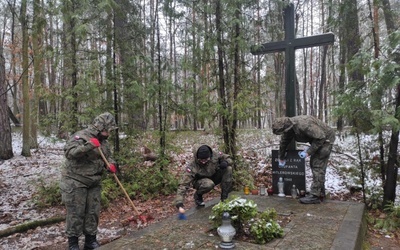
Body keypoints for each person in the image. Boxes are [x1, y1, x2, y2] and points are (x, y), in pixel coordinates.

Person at [60, 112, 118, 250]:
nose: (108, 133)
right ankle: (73, 244)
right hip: (75, 181)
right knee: (76, 213)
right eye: (107, 130)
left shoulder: (104, 142)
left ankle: (90, 241)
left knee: (93, 212)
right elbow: (70, 153)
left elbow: (107, 157)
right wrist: (88, 146)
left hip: (94, 181)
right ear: (99, 127)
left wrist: (110, 165)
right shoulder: (81, 136)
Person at [272, 115, 336, 204]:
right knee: (315, 164)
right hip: (318, 138)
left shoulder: (304, 124)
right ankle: (320, 192)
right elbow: (284, 142)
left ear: (287, 128)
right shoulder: (288, 128)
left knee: (317, 165)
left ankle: (315, 196)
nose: (283, 134)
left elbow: (321, 137)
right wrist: (281, 157)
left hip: (326, 139)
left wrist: (308, 151)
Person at [174, 144, 233, 213]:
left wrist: (225, 162)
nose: (204, 162)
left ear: (210, 156)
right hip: (201, 181)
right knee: (209, 184)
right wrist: (179, 202)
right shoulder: (192, 165)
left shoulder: (215, 154)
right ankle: (198, 195)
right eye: (201, 160)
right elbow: (183, 184)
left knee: (228, 169)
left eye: (206, 159)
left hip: (214, 175)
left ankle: (224, 198)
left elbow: (228, 158)